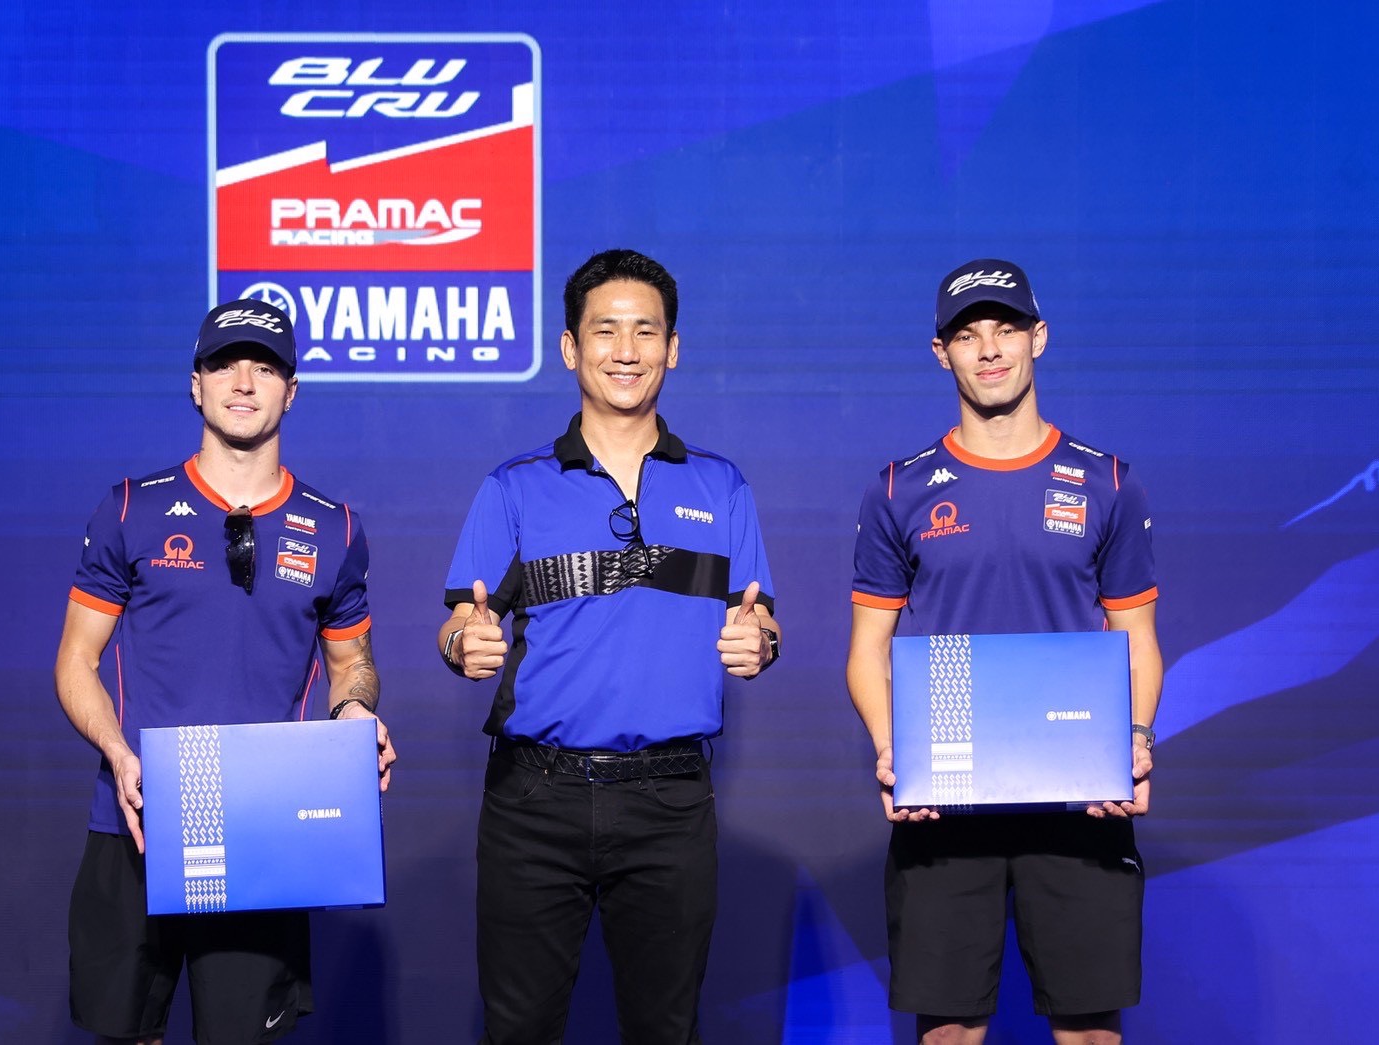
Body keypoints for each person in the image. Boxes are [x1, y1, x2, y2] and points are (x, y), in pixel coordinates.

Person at [437, 249, 781, 1045]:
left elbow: (759, 618)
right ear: (570, 347)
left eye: (645, 331)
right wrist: (464, 643)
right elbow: (460, 620)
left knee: (667, 1030)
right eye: (605, 330)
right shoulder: (513, 485)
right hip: (534, 801)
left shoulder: (721, 485)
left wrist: (759, 641)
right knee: (517, 1031)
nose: (625, 350)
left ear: (672, 348)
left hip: (670, 800)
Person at [55, 299, 397, 1044]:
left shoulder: (335, 527)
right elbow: (76, 659)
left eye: (265, 367)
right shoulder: (129, 509)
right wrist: (117, 752)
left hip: (261, 829)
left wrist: (354, 714)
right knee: (127, 1034)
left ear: (291, 390)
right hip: (137, 817)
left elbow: (352, 664)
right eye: (224, 364)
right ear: (196, 384)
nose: (243, 382)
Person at [845, 259, 1162, 1045]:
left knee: (1090, 1032)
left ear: (1037, 338)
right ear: (940, 352)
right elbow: (866, 651)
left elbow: (1137, 639)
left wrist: (1131, 741)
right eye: (966, 334)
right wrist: (892, 749)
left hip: (1079, 796)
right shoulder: (898, 489)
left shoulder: (1106, 482)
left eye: (1005, 328)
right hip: (944, 795)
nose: (988, 349)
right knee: (948, 1032)